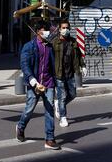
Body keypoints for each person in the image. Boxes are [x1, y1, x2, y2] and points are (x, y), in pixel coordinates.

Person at [16, 20, 60, 150]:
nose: (47, 32)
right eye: (44, 29)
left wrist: (57, 82)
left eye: (47, 29)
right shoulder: (29, 46)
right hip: (34, 84)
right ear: (38, 31)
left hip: (48, 83)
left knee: (49, 110)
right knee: (29, 109)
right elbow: (25, 65)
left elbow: (52, 66)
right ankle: (20, 126)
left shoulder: (50, 47)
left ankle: (49, 139)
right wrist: (32, 80)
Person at [52, 19, 87, 128]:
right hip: (59, 74)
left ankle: (58, 106)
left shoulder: (73, 41)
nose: (66, 30)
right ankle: (63, 117)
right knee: (62, 96)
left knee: (72, 94)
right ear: (59, 29)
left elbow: (79, 55)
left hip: (70, 73)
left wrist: (83, 66)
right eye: (63, 28)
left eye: (67, 28)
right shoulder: (54, 42)